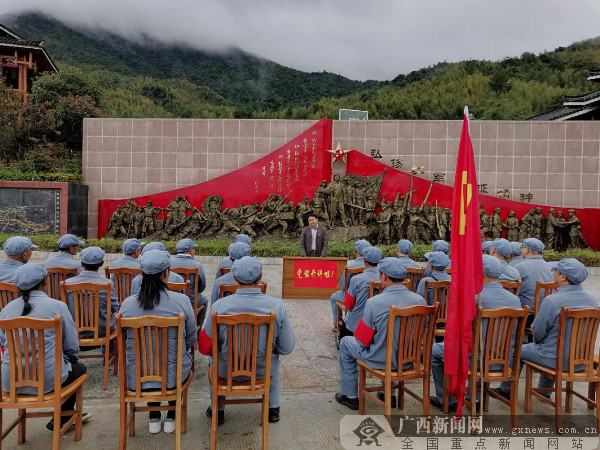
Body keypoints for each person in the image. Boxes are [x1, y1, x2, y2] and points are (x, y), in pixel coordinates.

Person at [199, 256, 295, 424]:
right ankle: (273, 409)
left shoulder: (219, 306)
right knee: (273, 359)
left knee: (212, 359)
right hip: (261, 372)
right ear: (260, 277)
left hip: (225, 371)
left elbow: (205, 347)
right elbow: (286, 347)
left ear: (235, 277)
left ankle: (217, 410)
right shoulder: (276, 306)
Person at [0, 264, 91, 432]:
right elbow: (71, 346)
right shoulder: (57, 307)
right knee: (79, 368)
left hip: (9, 380)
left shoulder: (5, 311)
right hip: (48, 380)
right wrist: (69, 359)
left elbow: (3, 342)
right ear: (45, 282)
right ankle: (63, 417)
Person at [496, 258, 600, 399]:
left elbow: (538, 332)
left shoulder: (552, 300)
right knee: (550, 344)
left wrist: (539, 343)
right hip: (581, 361)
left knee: (518, 350)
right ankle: (544, 392)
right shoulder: (593, 301)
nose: (554, 274)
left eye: (555, 271)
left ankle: (505, 390)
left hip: (554, 359)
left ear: (562, 277)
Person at [119, 250, 197, 434]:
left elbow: (121, 342)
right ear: (166, 273)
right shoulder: (182, 301)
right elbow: (191, 338)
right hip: (174, 378)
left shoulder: (127, 305)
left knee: (147, 360)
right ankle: (171, 414)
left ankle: (154, 415)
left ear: (142, 274)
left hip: (135, 379)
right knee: (174, 361)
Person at [430, 256, 522, 411]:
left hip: (474, 360)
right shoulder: (515, 301)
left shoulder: (474, 299)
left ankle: (448, 399)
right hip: (503, 360)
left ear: (481, 274)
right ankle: (475, 397)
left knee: (435, 351)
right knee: (481, 343)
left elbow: (459, 331)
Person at [335, 258, 427, 410]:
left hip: (381, 360)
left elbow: (363, 340)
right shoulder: (420, 301)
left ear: (383, 276)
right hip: (408, 360)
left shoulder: (375, 302)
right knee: (391, 343)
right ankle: (388, 393)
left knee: (345, 343)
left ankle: (350, 396)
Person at [64, 247, 117, 338]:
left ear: (82, 264)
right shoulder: (107, 283)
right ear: (101, 263)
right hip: (102, 330)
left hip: (74, 330)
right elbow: (114, 307)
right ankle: (109, 350)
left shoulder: (68, 283)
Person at [339, 246, 383, 340]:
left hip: (357, 325)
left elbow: (349, 304)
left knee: (343, 337)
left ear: (365, 260)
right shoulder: (385, 279)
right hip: (380, 325)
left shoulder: (356, 279)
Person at [328, 239, 370, 332]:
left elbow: (342, 286)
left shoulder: (351, 267)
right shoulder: (374, 266)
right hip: (370, 297)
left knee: (333, 297)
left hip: (352, 297)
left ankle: (337, 324)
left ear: (356, 252)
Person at [170, 238, 208, 326]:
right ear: (190, 251)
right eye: (194, 249)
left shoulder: (169, 263)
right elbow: (202, 286)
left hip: (173, 300)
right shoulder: (197, 265)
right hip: (191, 300)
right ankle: (198, 326)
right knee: (204, 300)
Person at [513, 238, 553, 321]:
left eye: (522, 247)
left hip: (527, 315)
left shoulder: (519, 267)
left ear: (527, 250)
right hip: (546, 313)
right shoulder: (551, 267)